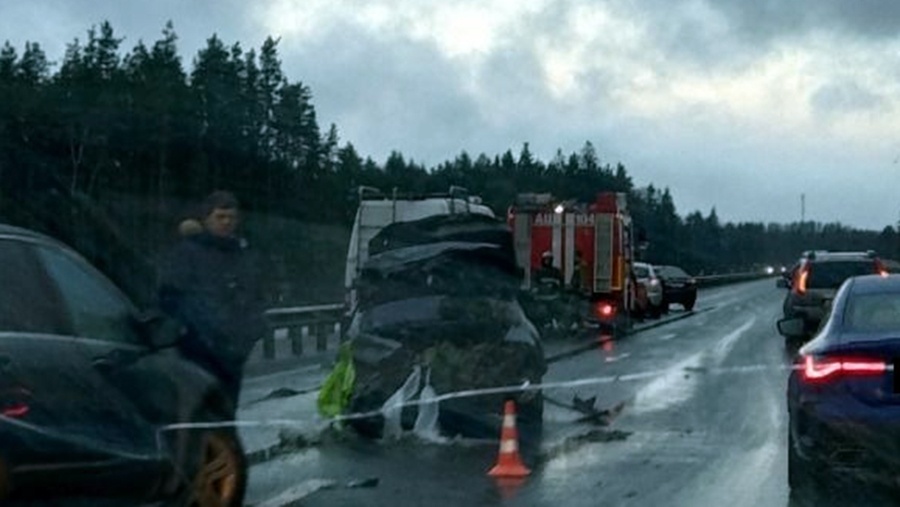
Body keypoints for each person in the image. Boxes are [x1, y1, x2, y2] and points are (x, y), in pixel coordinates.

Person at [158, 191, 266, 413]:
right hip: (197, 351)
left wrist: (251, 332)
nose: (226, 222)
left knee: (226, 414)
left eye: (231, 217)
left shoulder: (243, 255)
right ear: (207, 218)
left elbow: (256, 295)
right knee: (197, 412)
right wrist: (191, 333)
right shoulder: (188, 253)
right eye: (220, 216)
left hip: (233, 353)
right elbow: (170, 296)